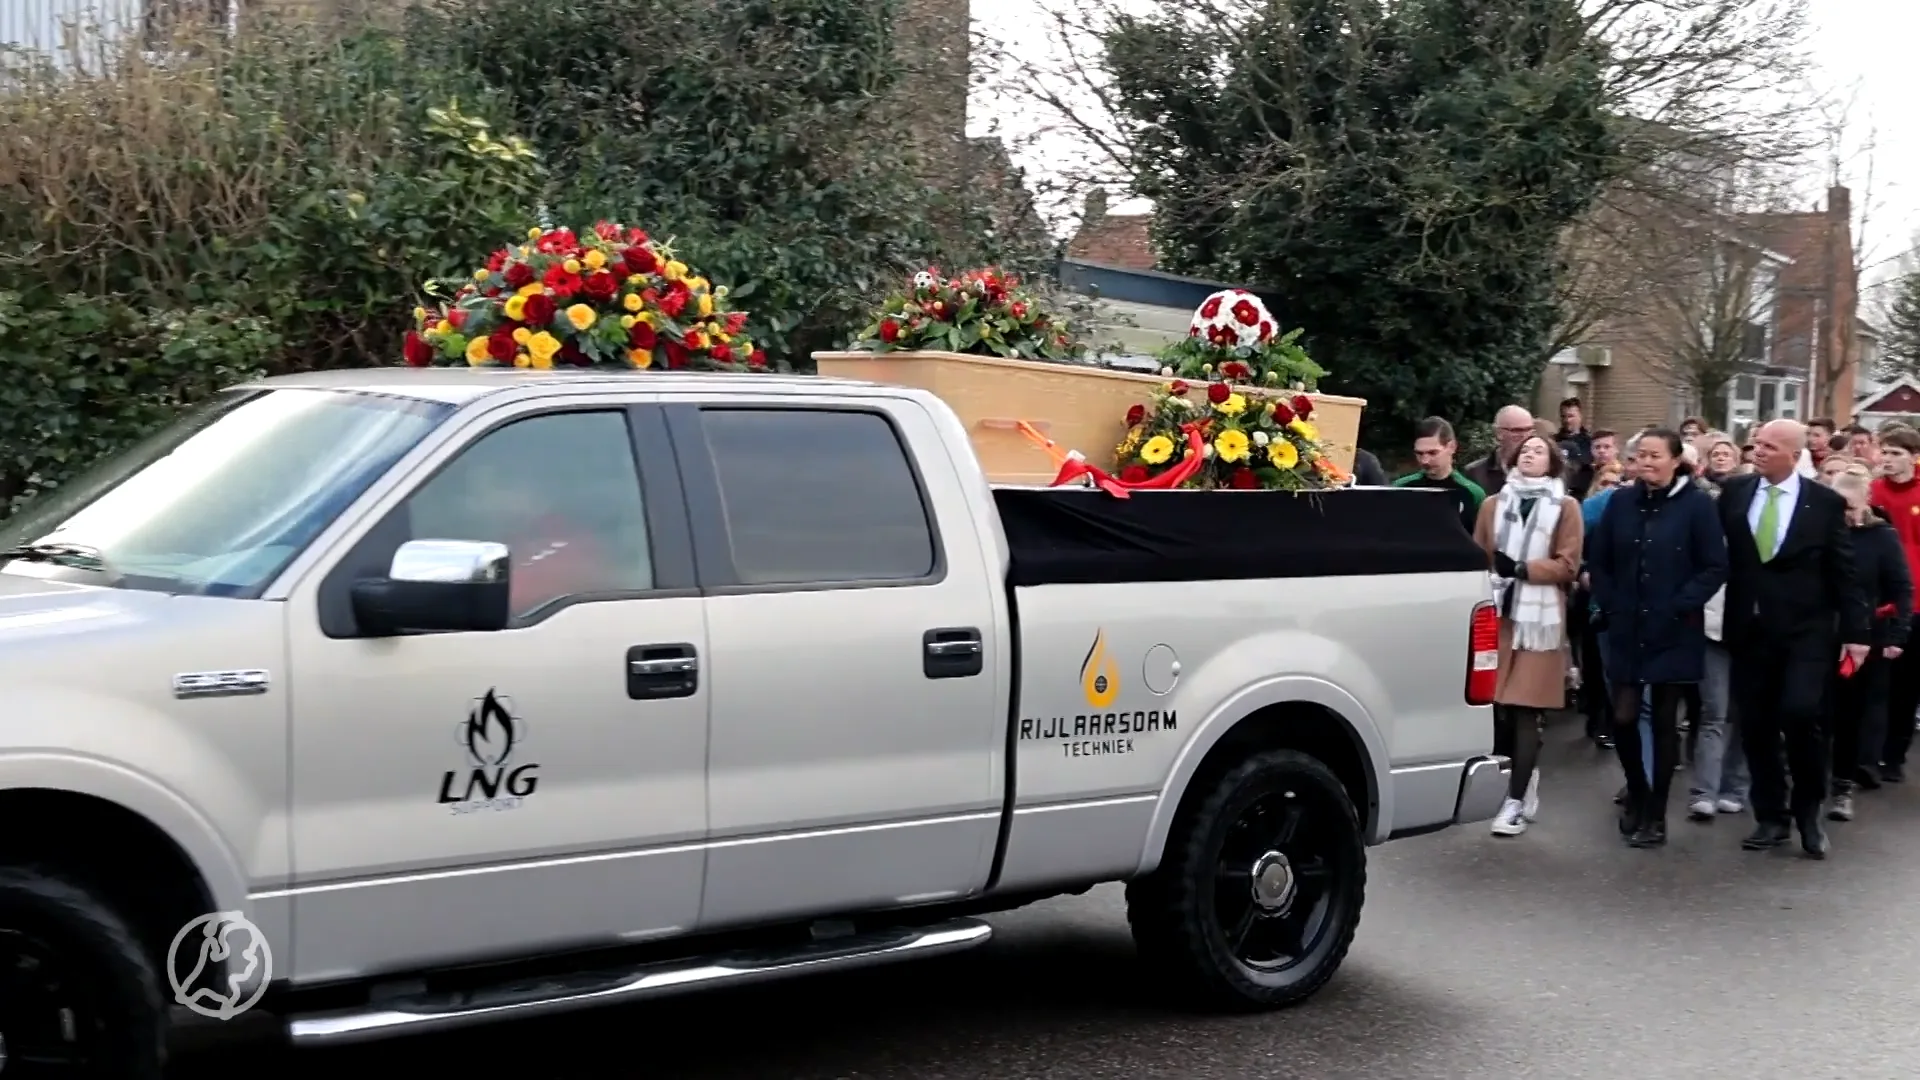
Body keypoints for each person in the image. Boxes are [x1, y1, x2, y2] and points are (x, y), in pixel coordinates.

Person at [1718, 419, 1870, 859]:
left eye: (1768, 445)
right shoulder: (1735, 493)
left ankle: (1808, 809)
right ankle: (1770, 816)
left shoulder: (1823, 503)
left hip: (1806, 632)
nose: (1757, 451)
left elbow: (1844, 571)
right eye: (1756, 444)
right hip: (1750, 629)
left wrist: (1857, 633)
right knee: (1757, 725)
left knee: (1801, 715)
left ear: (1792, 453)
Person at [1588, 429, 1728, 847]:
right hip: (1627, 625)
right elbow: (1601, 559)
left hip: (1673, 628)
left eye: (1654, 456)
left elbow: (1714, 566)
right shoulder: (1621, 501)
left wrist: (1680, 604)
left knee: (1665, 722)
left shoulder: (1697, 505)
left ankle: (1657, 814)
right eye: (1639, 456)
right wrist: (1612, 603)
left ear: (1674, 461)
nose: (1645, 463)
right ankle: (1638, 790)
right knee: (1625, 716)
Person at [1476, 434, 1583, 837]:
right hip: (1499, 616)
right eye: (1524, 451)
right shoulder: (1493, 505)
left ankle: (1516, 801)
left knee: (1524, 710)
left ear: (1552, 462)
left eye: (1538, 451)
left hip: (1540, 622)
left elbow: (1568, 565)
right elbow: (1480, 556)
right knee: (1497, 709)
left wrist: (1522, 570)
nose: (1530, 455)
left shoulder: (1565, 507)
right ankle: (1521, 781)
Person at [1826, 464, 1911, 821]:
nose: (1844, 513)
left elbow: (1900, 588)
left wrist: (1896, 632)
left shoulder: (1881, 537)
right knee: (1810, 711)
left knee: (1848, 710)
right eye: (1837, 505)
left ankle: (1843, 785)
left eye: (1850, 506)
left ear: (1866, 501)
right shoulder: (1820, 533)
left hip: (1857, 642)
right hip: (1815, 636)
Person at [1868, 425, 1920, 781]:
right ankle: (1867, 753)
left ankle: (1894, 755)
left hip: (1915, 600)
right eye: (1884, 452)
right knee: (1875, 683)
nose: (1888, 460)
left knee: (1907, 683)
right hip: (1878, 598)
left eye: (1896, 453)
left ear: (1914, 458)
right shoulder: (1871, 492)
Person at [1393, 417, 1486, 533]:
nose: (1424, 461)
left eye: (1433, 453)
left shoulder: (1472, 494)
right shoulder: (1400, 488)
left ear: (1452, 447)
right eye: (1419, 453)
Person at [1466, 405, 1535, 496]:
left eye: (1529, 429)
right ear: (1498, 433)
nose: (1525, 435)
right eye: (1517, 430)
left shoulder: (1547, 470)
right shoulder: (1475, 472)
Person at [1556, 397, 1595, 498]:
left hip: (1581, 494)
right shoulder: (1554, 441)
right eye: (1563, 416)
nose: (1567, 420)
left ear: (1580, 416)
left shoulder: (1590, 442)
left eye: (1571, 416)